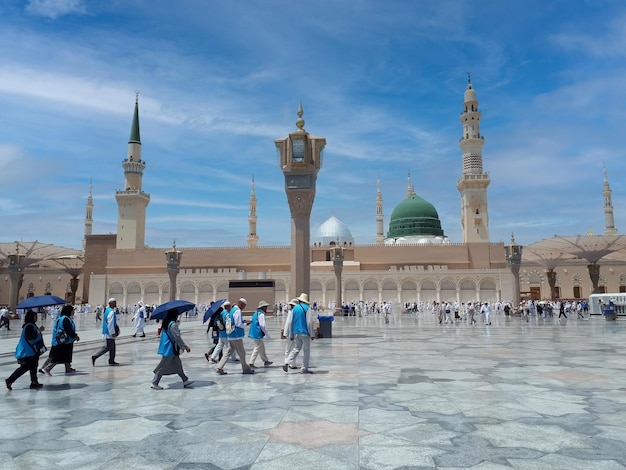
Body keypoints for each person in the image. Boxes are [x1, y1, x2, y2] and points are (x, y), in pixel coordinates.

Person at [151, 308, 193, 390]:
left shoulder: (166, 323)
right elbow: (177, 337)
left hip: (167, 347)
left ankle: (185, 380)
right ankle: (155, 382)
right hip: (170, 348)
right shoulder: (173, 324)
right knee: (163, 366)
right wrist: (185, 346)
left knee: (178, 364)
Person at [6, 310, 45, 390]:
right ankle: (10, 380)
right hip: (27, 351)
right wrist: (39, 331)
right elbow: (30, 336)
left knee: (33, 366)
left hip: (32, 351)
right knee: (25, 367)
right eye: (35, 316)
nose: (36, 318)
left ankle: (34, 381)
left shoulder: (32, 325)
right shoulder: (29, 326)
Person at [216, 298, 254, 375]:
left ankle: (220, 367)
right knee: (242, 353)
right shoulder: (237, 311)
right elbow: (238, 324)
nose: (244, 308)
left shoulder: (232, 310)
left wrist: (244, 321)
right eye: (244, 306)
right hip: (236, 336)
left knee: (228, 352)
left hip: (230, 335)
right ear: (241, 304)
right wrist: (246, 324)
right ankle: (245, 369)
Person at [40, 304, 80, 375]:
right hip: (64, 341)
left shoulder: (62, 318)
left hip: (63, 340)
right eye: (72, 310)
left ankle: (68, 368)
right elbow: (68, 330)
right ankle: (47, 368)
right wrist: (75, 336)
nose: (73, 312)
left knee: (66, 356)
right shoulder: (65, 319)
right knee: (58, 357)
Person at [283, 293, 315, 374]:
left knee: (296, 349)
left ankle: (287, 362)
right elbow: (309, 322)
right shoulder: (307, 308)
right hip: (305, 332)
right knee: (306, 350)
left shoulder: (294, 309)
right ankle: (304, 369)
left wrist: (291, 334)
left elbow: (291, 322)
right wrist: (312, 334)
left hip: (296, 332)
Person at [91, 298, 120, 366]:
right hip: (109, 332)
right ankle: (95, 356)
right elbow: (110, 323)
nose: (115, 304)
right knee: (108, 347)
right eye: (114, 302)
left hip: (107, 331)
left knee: (112, 347)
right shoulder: (111, 312)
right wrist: (112, 332)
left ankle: (111, 360)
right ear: (111, 303)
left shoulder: (107, 310)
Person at [248, 300, 272, 368]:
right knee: (258, 347)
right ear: (263, 307)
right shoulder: (261, 314)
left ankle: (265, 360)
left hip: (254, 332)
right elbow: (262, 325)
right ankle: (251, 362)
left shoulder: (256, 313)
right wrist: (267, 335)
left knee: (261, 347)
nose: (266, 309)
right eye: (265, 307)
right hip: (257, 333)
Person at [283, 298, 300, 370]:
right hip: (291, 333)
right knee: (290, 348)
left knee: (292, 348)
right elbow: (290, 323)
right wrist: (291, 334)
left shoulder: (292, 312)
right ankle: (287, 362)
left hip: (291, 332)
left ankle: (292, 364)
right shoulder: (292, 312)